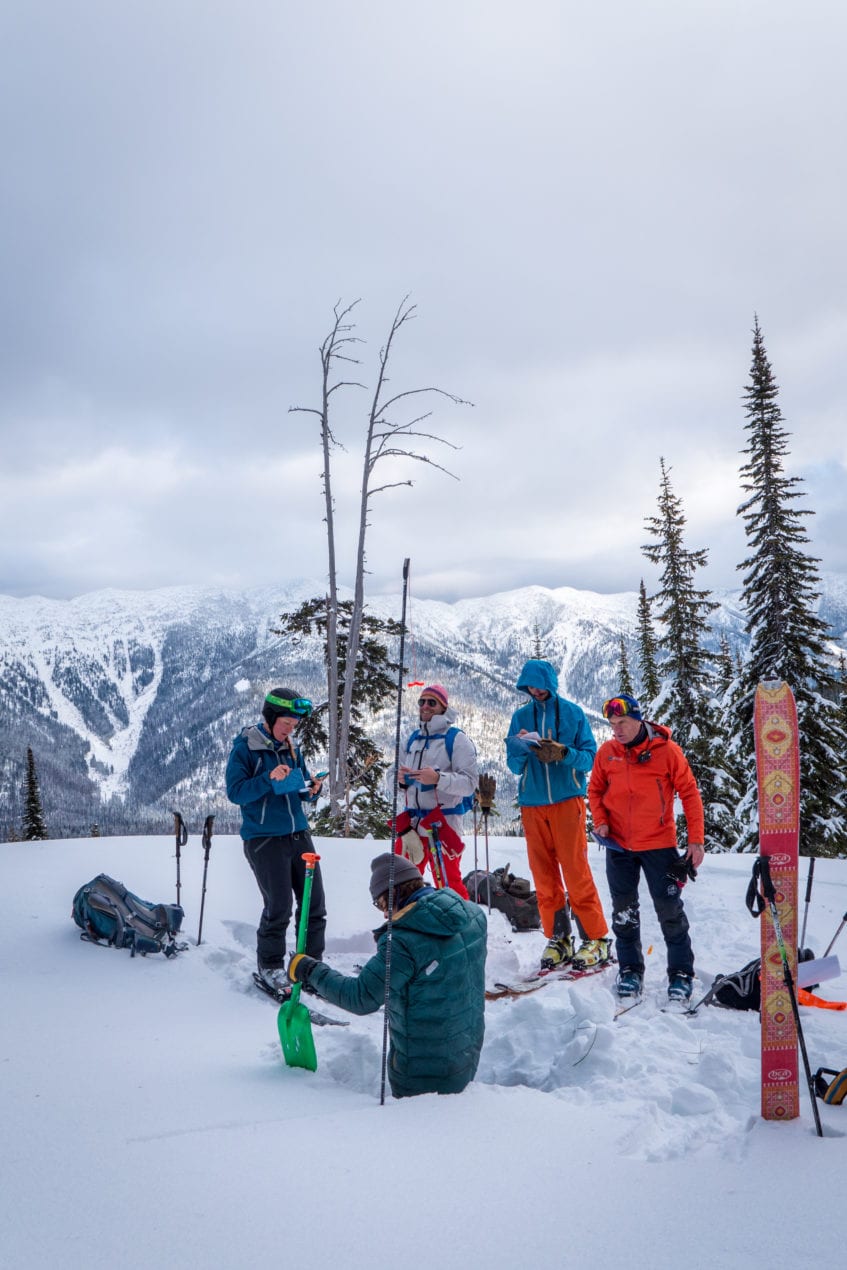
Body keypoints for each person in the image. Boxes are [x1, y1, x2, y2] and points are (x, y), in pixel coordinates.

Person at [287, 852, 487, 1098]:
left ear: (392, 895)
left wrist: (309, 969)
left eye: (381, 904)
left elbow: (360, 997)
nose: (383, 914)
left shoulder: (404, 942)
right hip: (466, 1057)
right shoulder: (474, 916)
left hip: (422, 1075)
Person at [588, 693, 706, 1003]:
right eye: (613, 724)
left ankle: (680, 973)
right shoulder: (607, 752)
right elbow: (595, 789)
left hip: (658, 844)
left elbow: (690, 794)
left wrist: (696, 840)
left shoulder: (666, 751)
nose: (617, 730)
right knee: (624, 911)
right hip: (618, 846)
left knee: (669, 910)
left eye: (623, 723)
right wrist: (600, 820)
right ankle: (630, 970)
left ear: (639, 719)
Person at [505, 659, 610, 971]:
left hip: (567, 801)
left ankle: (596, 938)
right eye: (529, 686)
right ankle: (559, 937)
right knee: (544, 873)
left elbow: (588, 758)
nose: (535, 691)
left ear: (550, 684)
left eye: (539, 685)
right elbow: (512, 764)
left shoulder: (573, 714)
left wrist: (563, 754)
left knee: (575, 869)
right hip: (532, 803)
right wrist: (524, 748)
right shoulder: (521, 716)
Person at [225, 687, 326, 995]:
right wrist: (269, 779)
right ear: (270, 718)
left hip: (299, 836)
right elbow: (235, 792)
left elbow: (302, 785)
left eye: (294, 725)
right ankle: (270, 966)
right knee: (279, 905)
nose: (290, 730)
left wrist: (313, 790)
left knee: (314, 905)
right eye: (286, 723)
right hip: (265, 839)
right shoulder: (246, 748)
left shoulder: (292, 748)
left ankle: (308, 965)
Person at [397, 683, 478, 899]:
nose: (425, 706)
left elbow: (470, 783)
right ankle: (407, 927)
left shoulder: (456, 739)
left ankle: (462, 926)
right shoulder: (412, 739)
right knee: (401, 882)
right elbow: (392, 774)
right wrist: (399, 781)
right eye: (421, 702)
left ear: (443, 707)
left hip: (443, 823)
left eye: (432, 702)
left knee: (449, 884)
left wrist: (438, 779)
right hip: (411, 824)